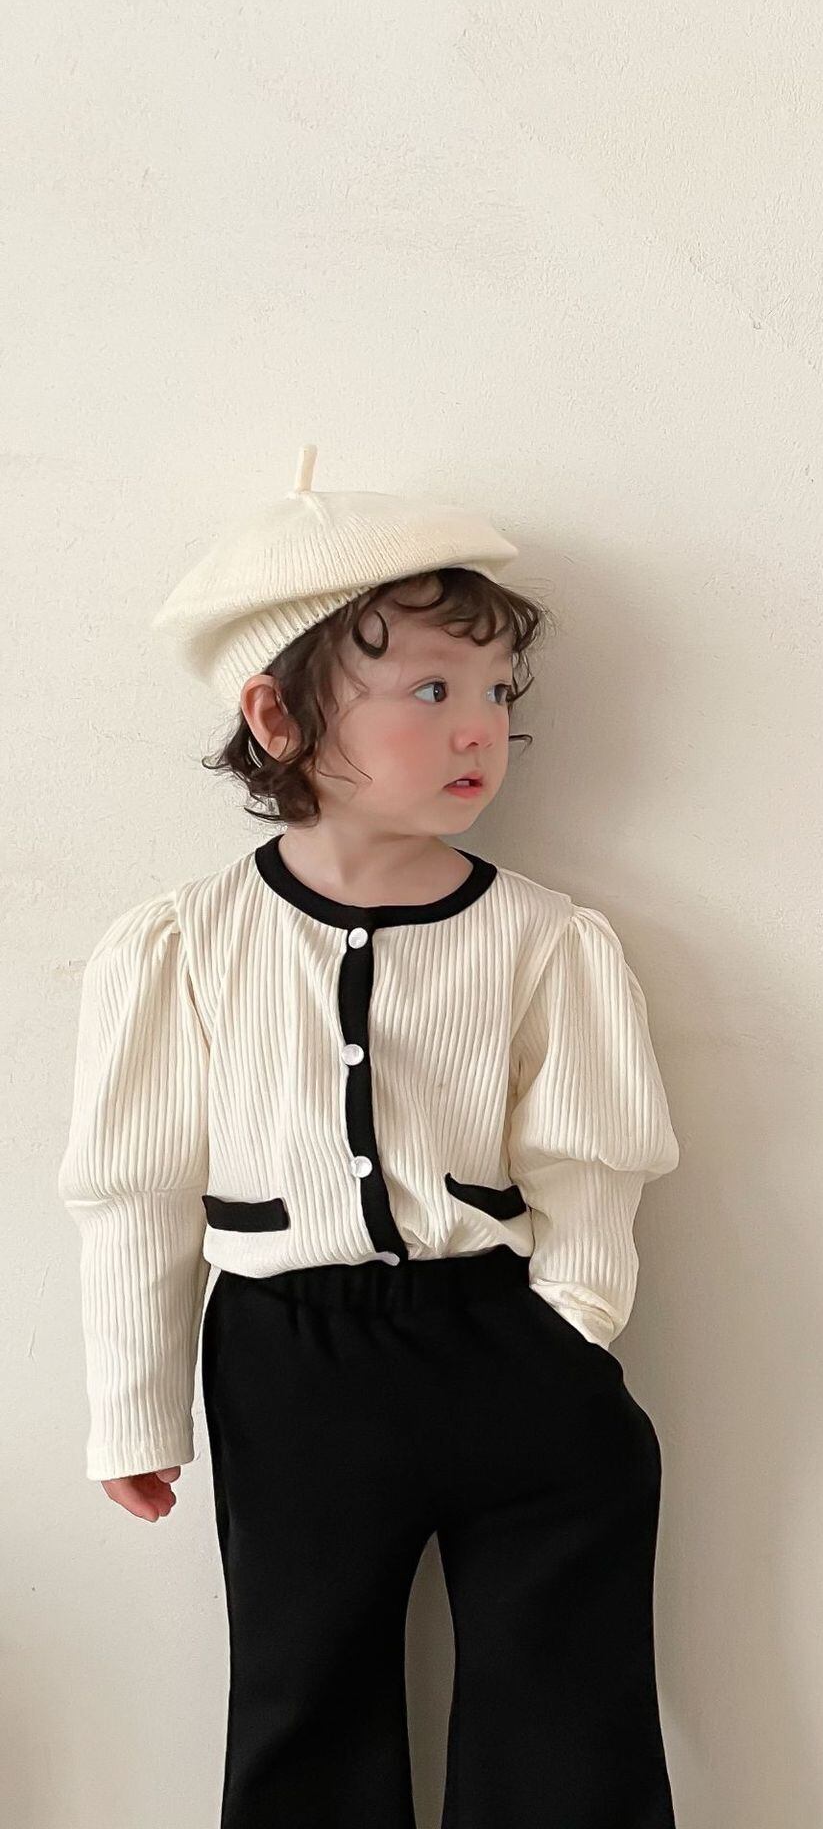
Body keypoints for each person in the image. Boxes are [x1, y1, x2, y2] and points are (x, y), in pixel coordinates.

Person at [55, 444, 684, 1828]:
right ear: (277, 716)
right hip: (290, 1365)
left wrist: (572, 1330)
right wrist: (135, 1406)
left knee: (566, 1714)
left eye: (498, 694)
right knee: (305, 1703)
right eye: (432, 691)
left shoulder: (544, 939)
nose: (479, 731)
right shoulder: (183, 946)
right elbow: (137, 1191)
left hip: (505, 1339)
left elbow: (592, 1157)